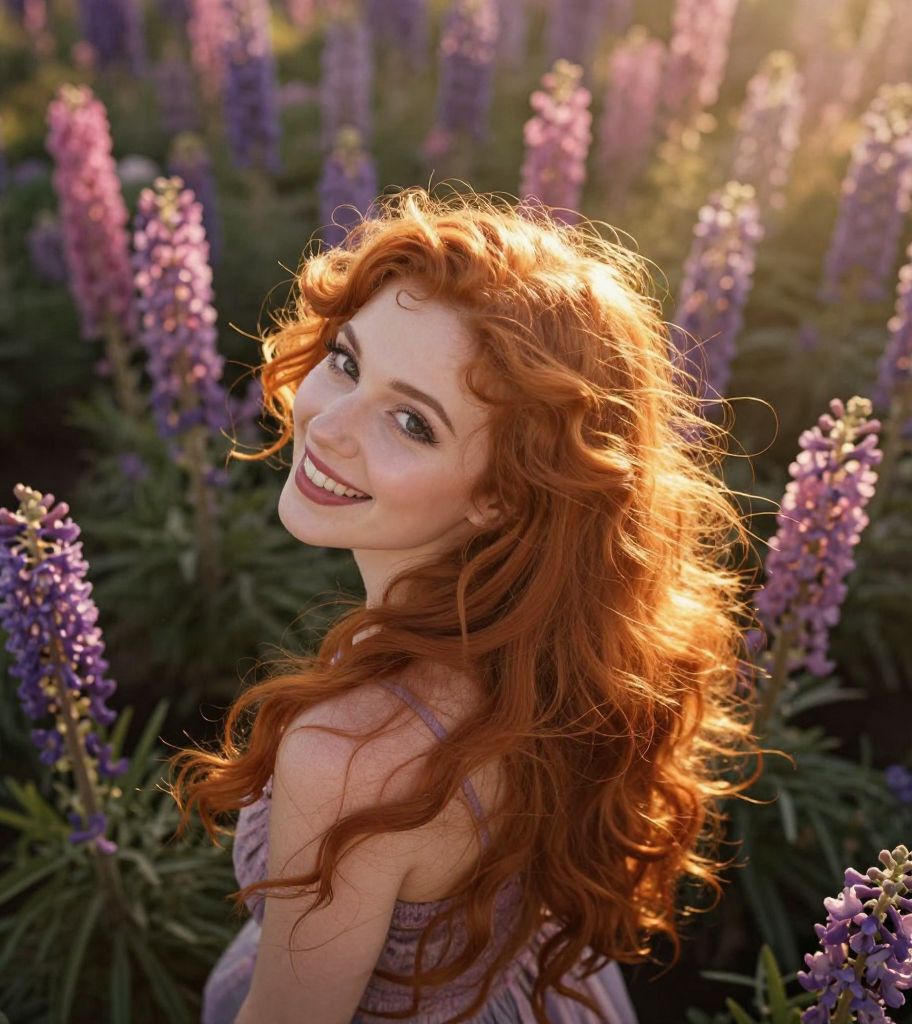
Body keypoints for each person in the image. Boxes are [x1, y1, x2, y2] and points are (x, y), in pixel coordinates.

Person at [168, 187, 762, 1023]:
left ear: (500, 496)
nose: (332, 424)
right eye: (346, 360)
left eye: (413, 422)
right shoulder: (546, 649)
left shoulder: (351, 756)